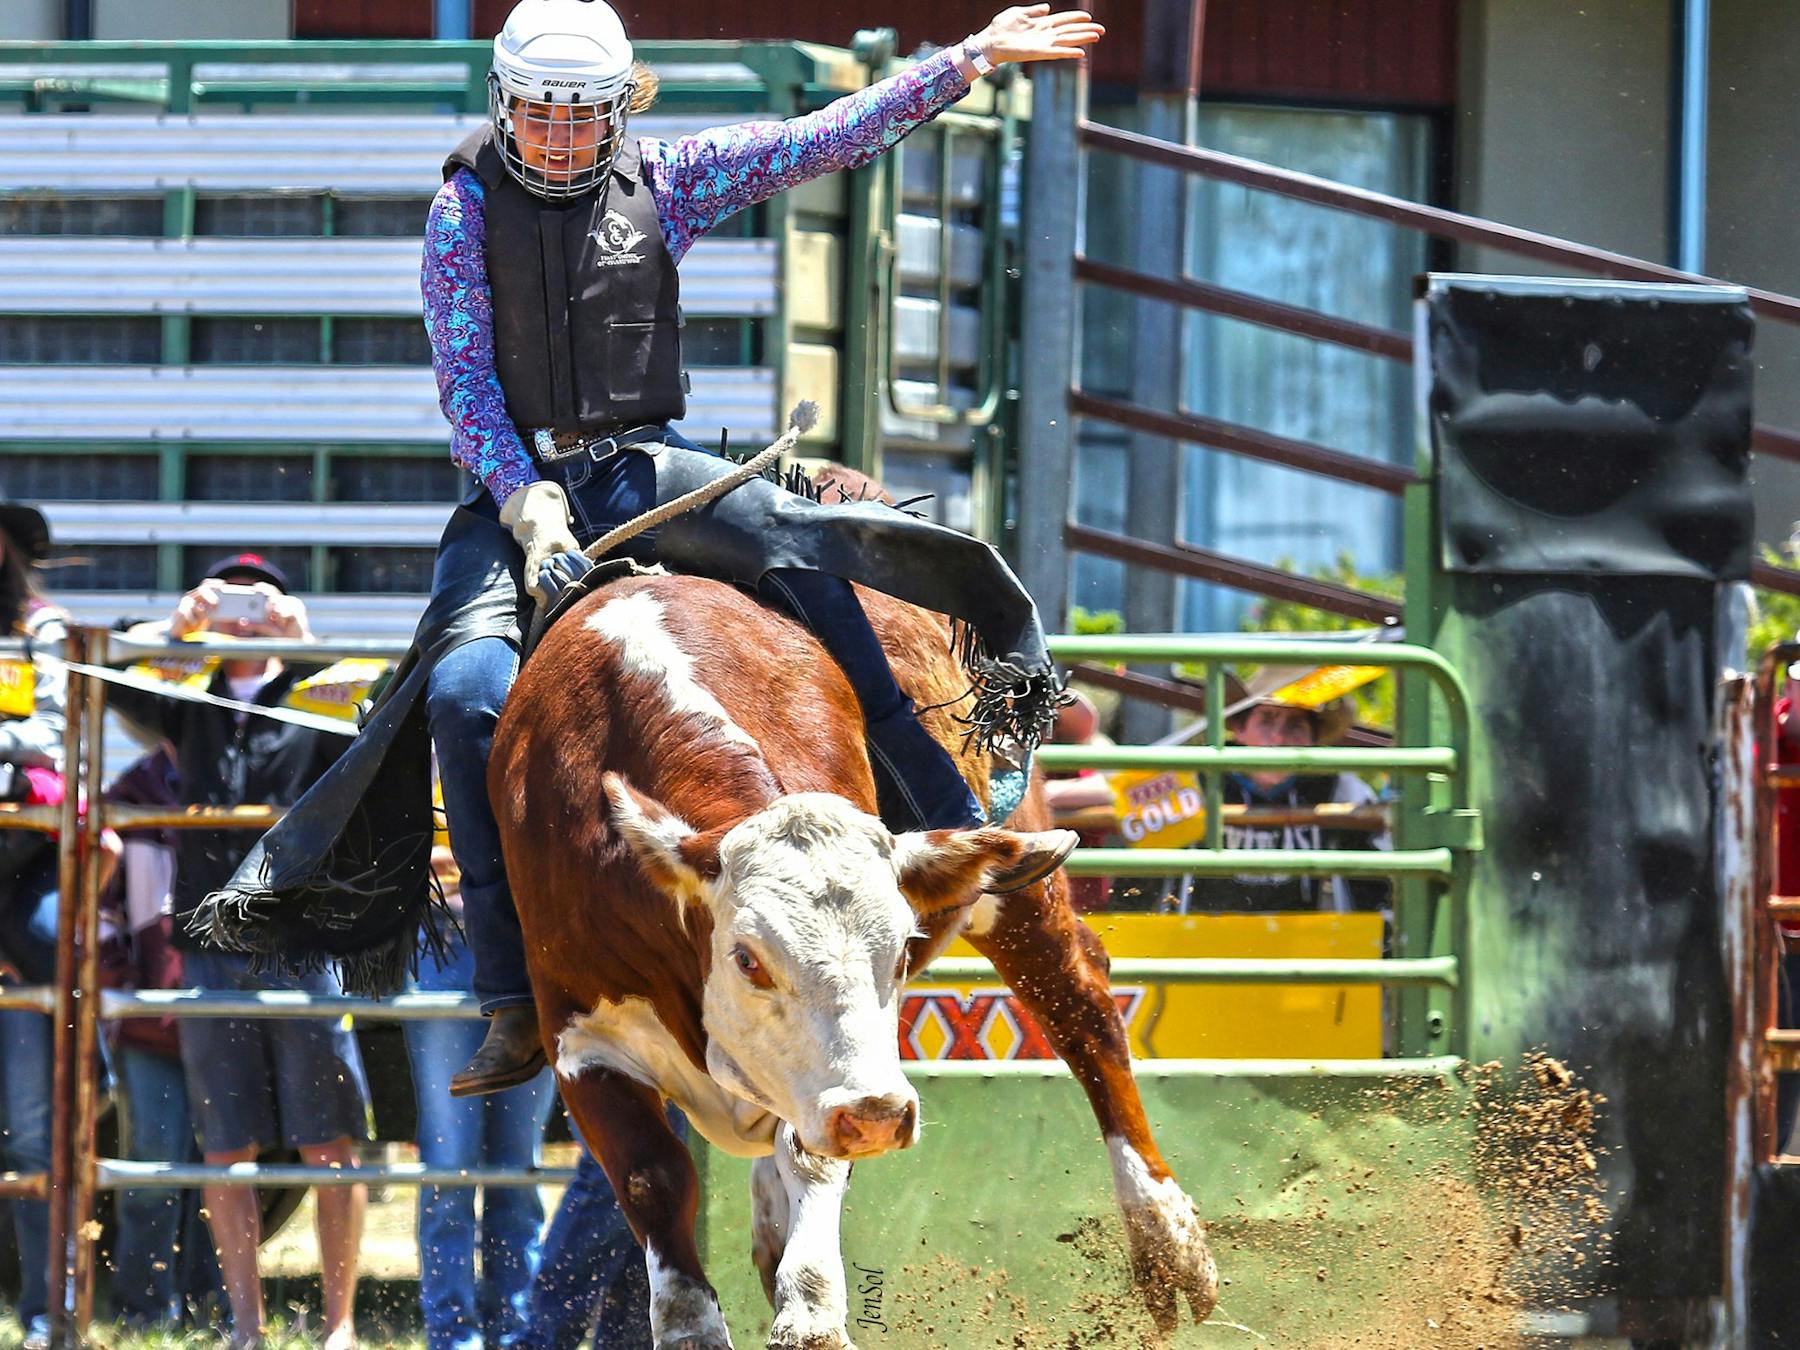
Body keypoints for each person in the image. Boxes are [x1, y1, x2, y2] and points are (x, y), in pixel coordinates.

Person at [412, 0, 1101, 1095]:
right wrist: (524, 499)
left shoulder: (669, 179)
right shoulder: (461, 213)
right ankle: (511, 991)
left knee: (804, 557)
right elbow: (468, 386)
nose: (555, 136)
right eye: (537, 115)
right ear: (504, 105)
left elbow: (821, 138)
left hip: (644, 466)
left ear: (617, 111)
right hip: (517, 492)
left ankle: (952, 818)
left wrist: (965, 60)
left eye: (579, 116)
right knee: (461, 694)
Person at [109, 553, 371, 1350]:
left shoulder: (321, 685)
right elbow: (116, 672)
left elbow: (383, 713)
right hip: (211, 944)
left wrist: (308, 642)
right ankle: (247, 1326)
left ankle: (339, 1325)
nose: (243, 614)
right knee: (226, 1144)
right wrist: (179, 628)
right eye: (228, 598)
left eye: (261, 601)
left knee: (330, 1141)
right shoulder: (189, 691)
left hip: (301, 943)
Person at [404, 780, 556, 1350]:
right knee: (450, 1163)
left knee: (517, 1167)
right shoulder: (418, 741)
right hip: (442, 948)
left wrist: (458, 859)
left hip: (524, 952)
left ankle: (512, 1329)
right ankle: (453, 1334)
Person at [100, 746, 224, 1329]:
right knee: (153, 1162)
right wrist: (120, 980)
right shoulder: (135, 791)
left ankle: (213, 1306)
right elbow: (103, 902)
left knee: (225, 1161)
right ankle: (144, 1308)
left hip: (222, 1005)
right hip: (151, 1014)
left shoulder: (236, 771)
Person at [0, 497, 70, 1350]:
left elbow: (50, 734)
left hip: (18, 868)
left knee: (32, 1115)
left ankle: (47, 1300)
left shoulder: (40, 629)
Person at [1176, 670, 1392, 915]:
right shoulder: (1197, 781)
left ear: (1313, 738)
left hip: (1301, 943)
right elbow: (1145, 879)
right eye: (1267, 719)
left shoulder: (1336, 788)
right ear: (1240, 729)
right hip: (1198, 939)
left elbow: (1376, 885)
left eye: (1295, 725)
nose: (1279, 737)